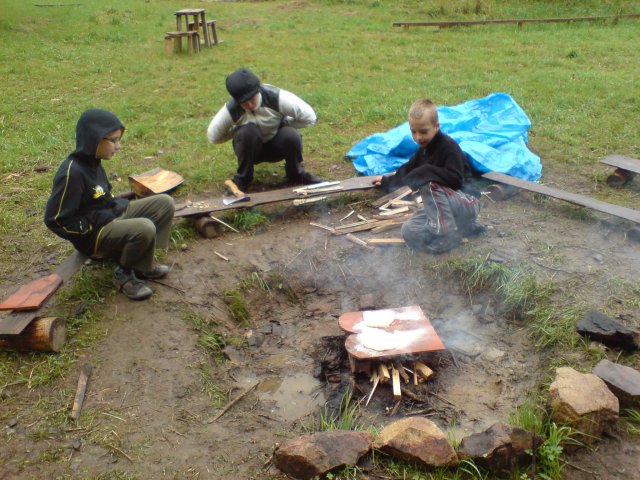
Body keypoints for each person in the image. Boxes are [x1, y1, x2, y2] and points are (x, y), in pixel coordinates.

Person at [44, 108, 175, 301]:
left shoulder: (94, 161)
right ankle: (123, 274)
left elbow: (102, 195)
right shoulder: (72, 173)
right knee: (144, 227)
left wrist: (116, 205)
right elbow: (55, 219)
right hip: (94, 234)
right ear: (94, 139)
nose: (118, 146)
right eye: (113, 140)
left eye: (119, 140)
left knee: (165, 203)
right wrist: (88, 228)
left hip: (109, 215)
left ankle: (142, 264)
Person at [372, 99, 484, 254]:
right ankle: (463, 228)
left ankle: (448, 236)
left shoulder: (449, 147)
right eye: (414, 132)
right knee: (409, 230)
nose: (418, 137)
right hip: (444, 208)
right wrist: (386, 182)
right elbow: (408, 170)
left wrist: (426, 171)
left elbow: (456, 181)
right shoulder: (423, 150)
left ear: (436, 126)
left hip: (467, 202)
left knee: (429, 184)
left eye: (423, 131)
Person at [206, 67, 321, 192]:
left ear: (258, 90)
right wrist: (237, 131)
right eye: (244, 102)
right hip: (252, 152)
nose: (250, 105)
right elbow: (213, 136)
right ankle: (243, 179)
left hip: (277, 146)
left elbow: (310, 117)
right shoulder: (232, 110)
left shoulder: (276, 98)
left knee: (290, 135)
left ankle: (296, 173)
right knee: (247, 132)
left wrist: (282, 123)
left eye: (252, 99)